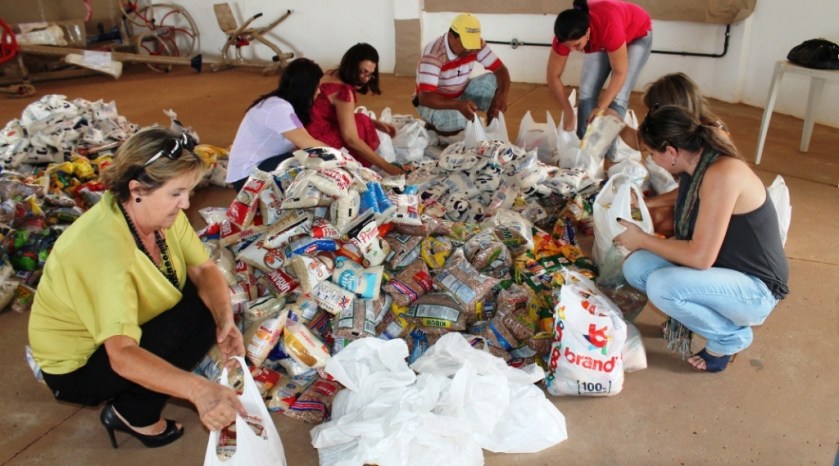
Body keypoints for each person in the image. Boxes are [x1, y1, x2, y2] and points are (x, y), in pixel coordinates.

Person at [29, 127, 246, 448]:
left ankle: (134, 400)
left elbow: (203, 268)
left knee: (207, 302)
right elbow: (123, 356)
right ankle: (135, 413)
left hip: (117, 337)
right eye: (177, 193)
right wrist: (199, 391)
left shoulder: (154, 215)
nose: (186, 204)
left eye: (189, 191)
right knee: (194, 317)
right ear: (137, 189)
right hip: (79, 366)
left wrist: (225, 319)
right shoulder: (103, 250)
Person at [615, 105, 789, 373]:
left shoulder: (722, 173)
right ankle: (697, 317)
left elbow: (699, 257)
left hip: (756, 290)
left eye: (652, 153)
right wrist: (646, 205)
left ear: (671, 152)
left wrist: (642, 239)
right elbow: (691, 200)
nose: (652, 160)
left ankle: (729, 337)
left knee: (663, 286)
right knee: (636, 266)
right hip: (725, 272)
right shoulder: (698, 162)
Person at [610, 72, 730, 236]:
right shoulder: (681, 130)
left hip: (707, 212)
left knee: (658, 219)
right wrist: (614, 122)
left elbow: (694, 191)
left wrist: (648, 204)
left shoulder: (711, 139)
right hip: (687, 196)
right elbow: (640, 141)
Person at [547, 0, 652, 157]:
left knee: (618, 98)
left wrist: (601, 107)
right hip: (603, 35)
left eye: (576, 45)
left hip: (636, 34)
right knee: (587, 93)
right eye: (569, 46)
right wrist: (568, 111)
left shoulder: (609, 27)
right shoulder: (566, 36)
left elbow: (619, 73)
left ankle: (608, 154)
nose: (572, 50)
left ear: (587, 32)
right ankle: (586, 153)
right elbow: (552, 76)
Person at [227, 58, 328, 191]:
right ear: (306, 88)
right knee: (310, 169)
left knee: (308, 161)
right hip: (246, 178)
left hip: (259, 167)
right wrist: (345, 159)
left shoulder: (281, 104)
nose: (319, 92)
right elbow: (309, 144)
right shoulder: (278, 108)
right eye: (317, 87)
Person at [305, 43, 403, 175]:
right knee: (361, 123)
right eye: (362, 71)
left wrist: (376, 123)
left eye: (369, 74)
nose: (365, 78)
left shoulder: (330, 74)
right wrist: (387, 167)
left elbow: (333, 112)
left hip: (305, 133)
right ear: (351, 65)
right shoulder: (343, 92)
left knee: (363, 119)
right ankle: (355, 166)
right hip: (317, 144)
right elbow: (351, 140)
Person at [413, 13, 511, 136]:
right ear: (451, 37)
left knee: (495, 82)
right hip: (431, 101)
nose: (470, 50)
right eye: (466, 44)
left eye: (472, 44)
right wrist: (458, 105)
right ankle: (434, 127)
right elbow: (425, 97)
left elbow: (501, 70)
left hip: (460, 92)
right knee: (459, 120)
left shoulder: (476, 45)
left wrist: (502, 96)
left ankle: (492, 134)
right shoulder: (434, 54)